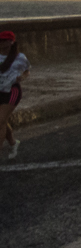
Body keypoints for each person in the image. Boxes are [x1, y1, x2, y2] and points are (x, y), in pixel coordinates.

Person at [0, 31, 30, 159]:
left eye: (4, 40)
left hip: (12, 91)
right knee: (2, 121)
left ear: (11, 42)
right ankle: (13, 143)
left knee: (0, 120)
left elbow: (27, 71)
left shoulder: (20, 58)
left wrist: (21, 77)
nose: (1, 43)